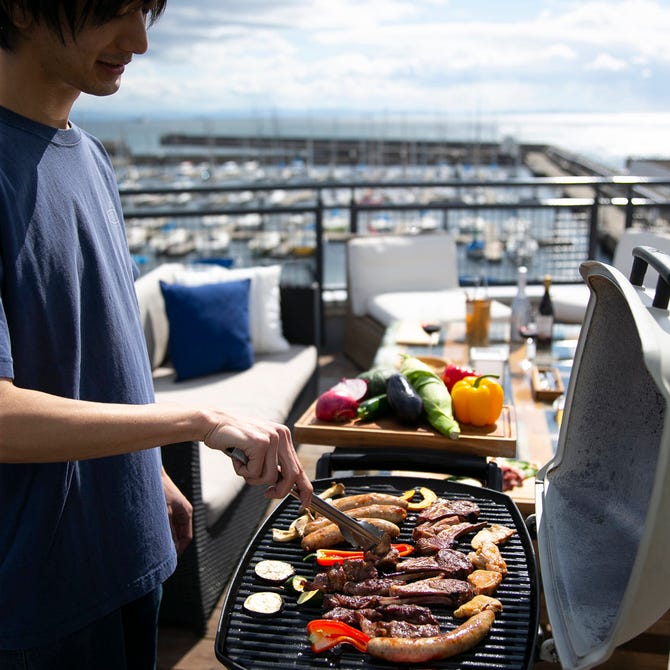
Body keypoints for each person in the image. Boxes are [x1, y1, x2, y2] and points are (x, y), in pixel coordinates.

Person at [0, 1, 313, 668]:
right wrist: (195, 419)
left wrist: (151, 480)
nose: (140, 39)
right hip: (39, 594)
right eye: (114, 10)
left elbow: (103, 346)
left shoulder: (86, 154)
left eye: (145, 9)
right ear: (19, 7)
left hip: (130, 552)